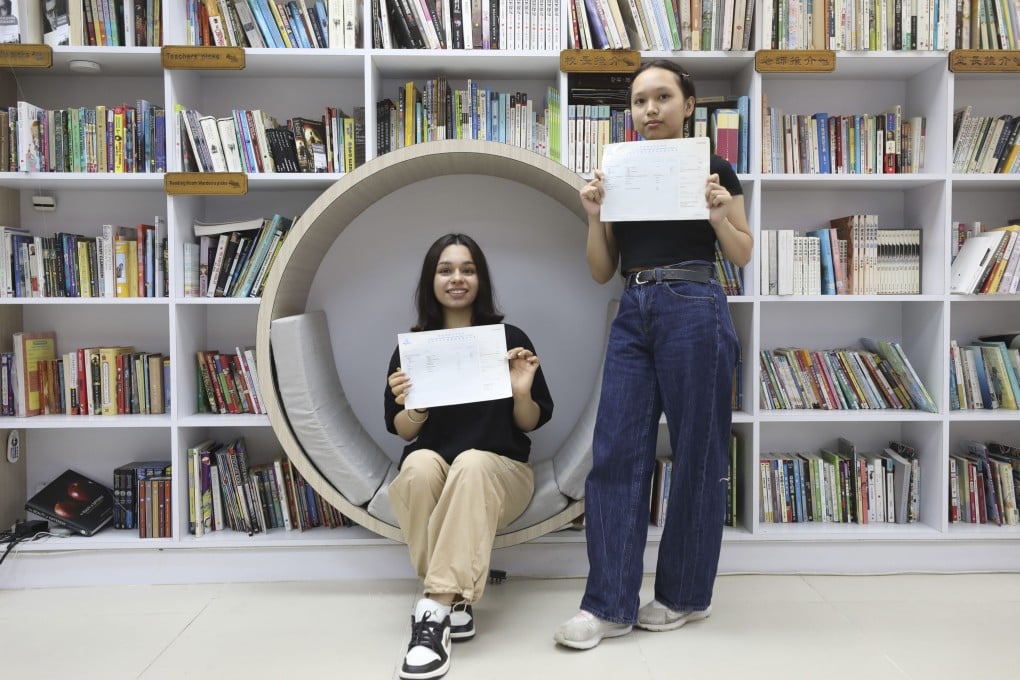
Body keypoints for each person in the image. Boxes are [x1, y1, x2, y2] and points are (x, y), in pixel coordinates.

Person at [554, 60, 753, 649]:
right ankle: (609, 605)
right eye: (640, 100)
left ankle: (685, 596)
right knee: (615, 449)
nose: (650, 110)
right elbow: (600, 271)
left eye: (663, 97)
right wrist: (594, 216)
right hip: (633, 305)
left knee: (698, 450)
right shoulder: (618, 170)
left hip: (695, 299)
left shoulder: (715, 168)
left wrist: (718, 215)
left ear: (689, 105)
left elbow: (741, 254)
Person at [385, 233, 554, 679]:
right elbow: (402, 430)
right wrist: (413, 407)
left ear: (480, 278)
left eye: (467, 269)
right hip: (438, 474)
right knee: (417, 465)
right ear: (431, 280)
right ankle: (453, 605)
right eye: (446, 269)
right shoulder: (413, 348)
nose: (457, 278)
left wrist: (521, 392)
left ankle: (434, 610)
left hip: (502, 474)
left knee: (473, 461)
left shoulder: (509, 338)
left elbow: (530, 422)